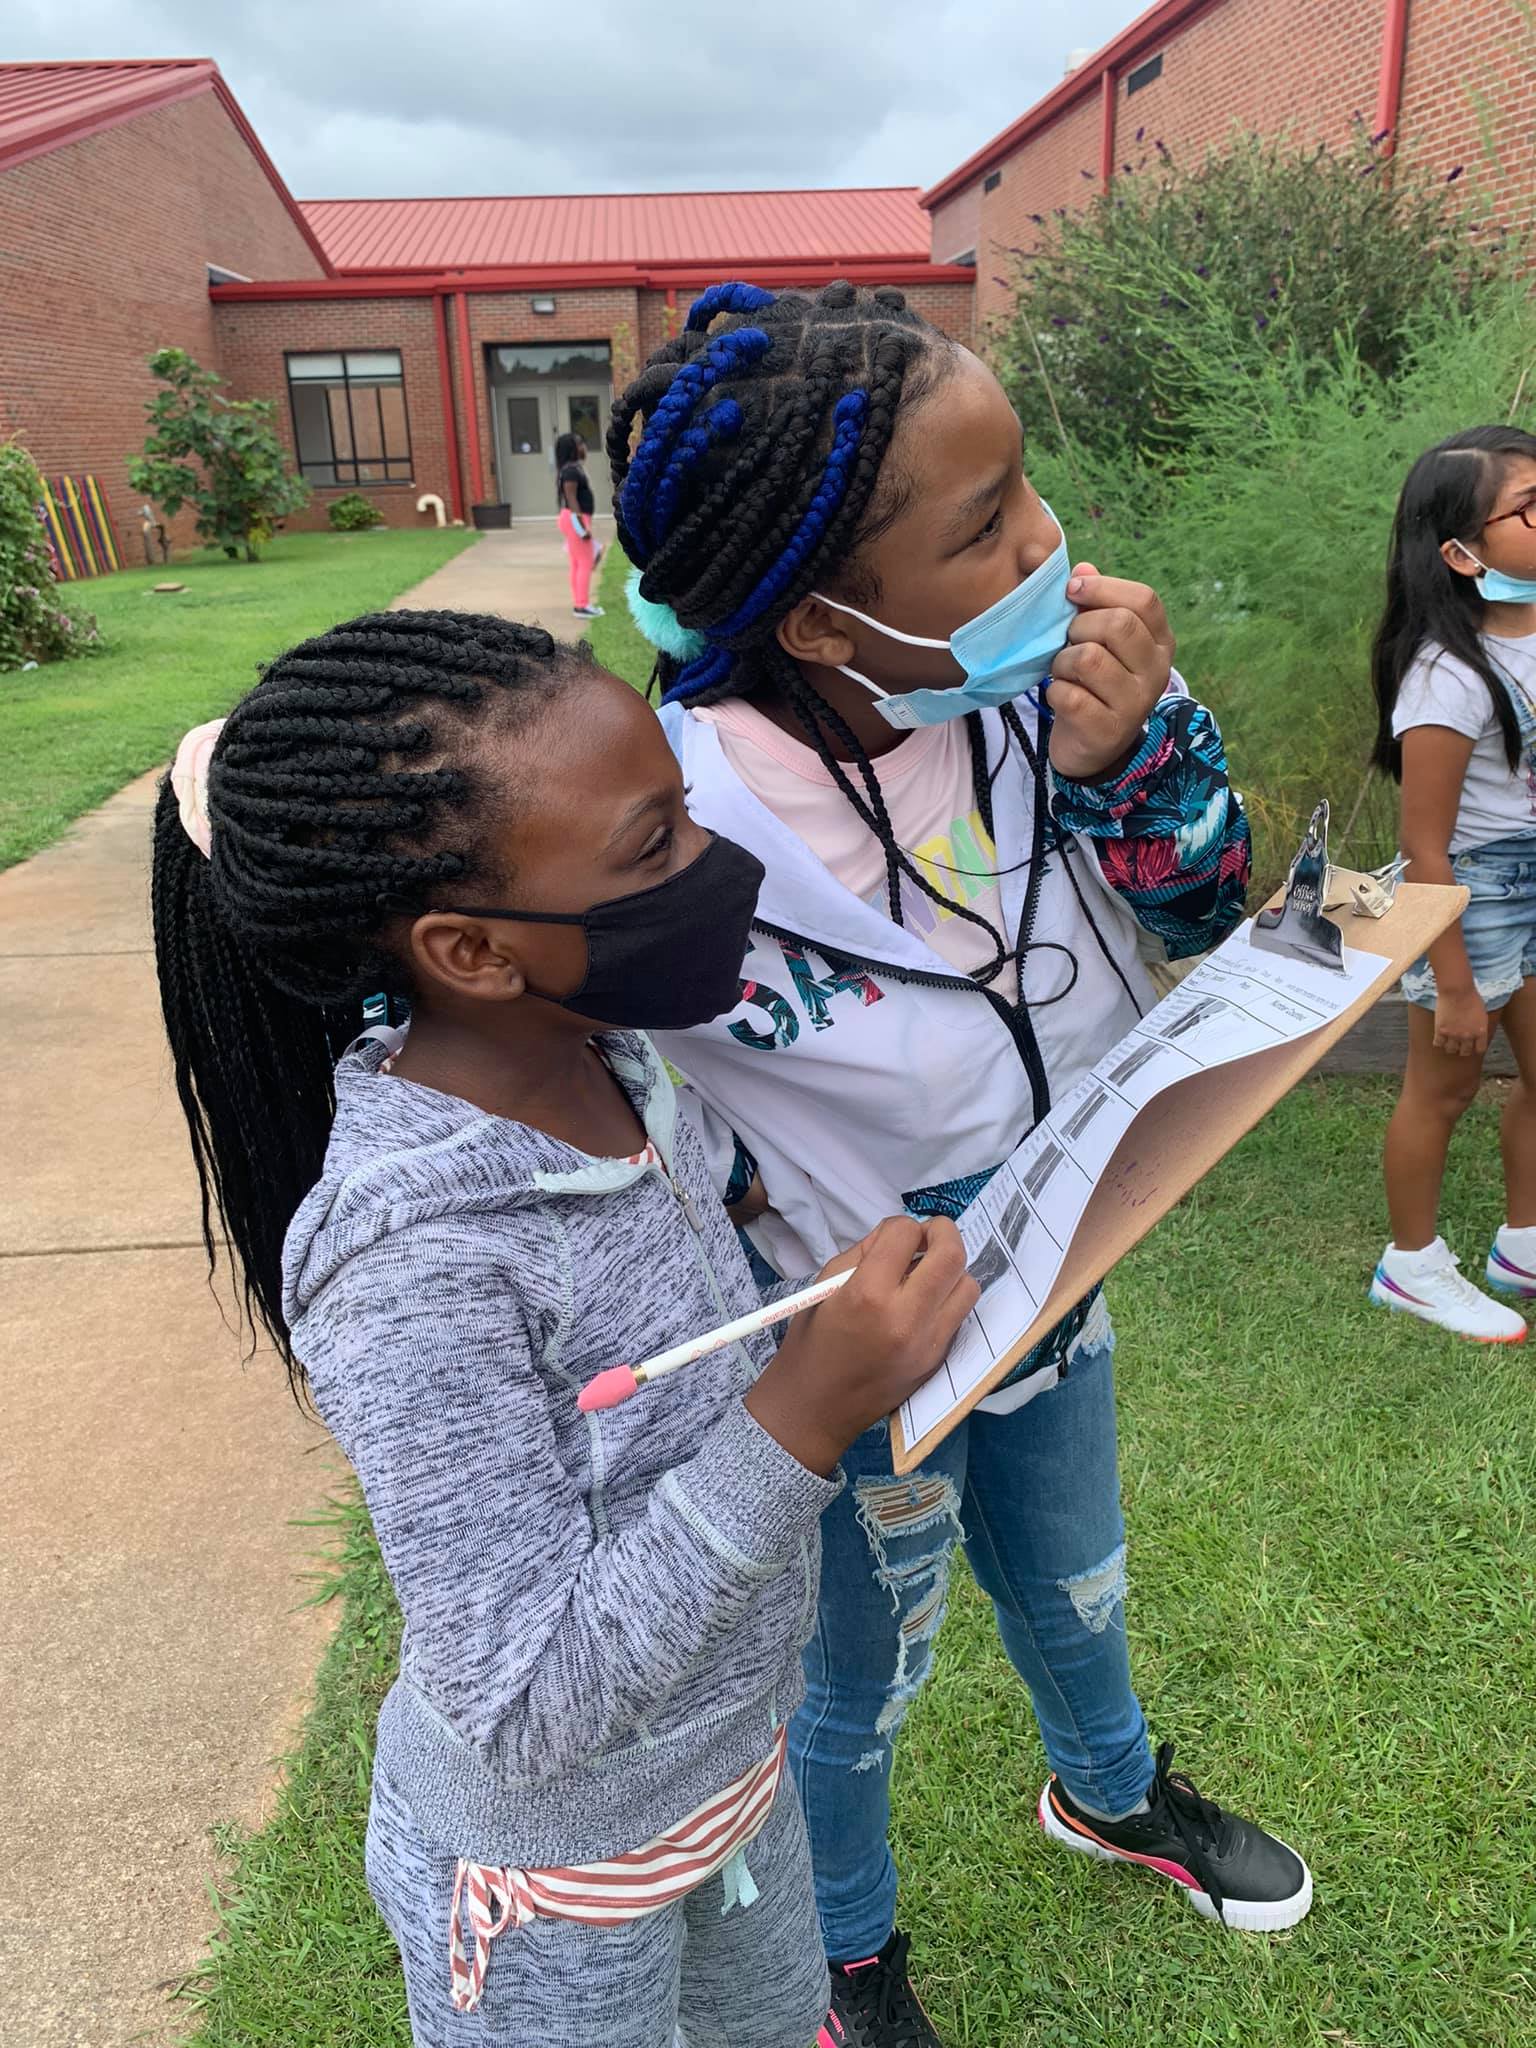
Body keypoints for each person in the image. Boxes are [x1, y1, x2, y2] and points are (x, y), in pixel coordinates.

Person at [607, 280, 1312, 2045]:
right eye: (982, 524)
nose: (1047, 543)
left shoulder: (1043, 699)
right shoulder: (677, 823)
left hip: (1055, 1275)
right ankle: (850, 1945)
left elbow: (1206, 911)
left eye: (1030, 489)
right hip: (844, 1354)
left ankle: (1112, 1782)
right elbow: (619, 1106)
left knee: (1078, 1574)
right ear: (821, 617)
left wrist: (1131, 753)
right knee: (850, 1674)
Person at [149, 609, 980, 2048]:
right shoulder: (410, 1261)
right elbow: (528, 1698)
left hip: (733, 1780)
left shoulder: (614, 1058)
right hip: (553, 1884)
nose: (719, 869)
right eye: (654, 845)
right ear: (470, 948)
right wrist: (802, 1411)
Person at [1369, 425, 1536, 1340]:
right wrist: (1458, 986)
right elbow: (1425, 850)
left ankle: (1523, 1243)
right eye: (1532, 508)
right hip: (1474, 898)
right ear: (1464, 553)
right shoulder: (1446, 675)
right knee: (1442, 1089)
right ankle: (1412, 1265)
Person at [556, 430, 604, 619]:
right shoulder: (570, 471)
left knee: (577, 563)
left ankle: (580, 603)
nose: (583, 447)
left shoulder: (574, 468)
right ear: (572, 449)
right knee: (585, 562)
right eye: (579, 444)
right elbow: (571, 499)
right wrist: (581, 528)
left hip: (577, 519)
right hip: (575, 519)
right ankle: (582, 606)